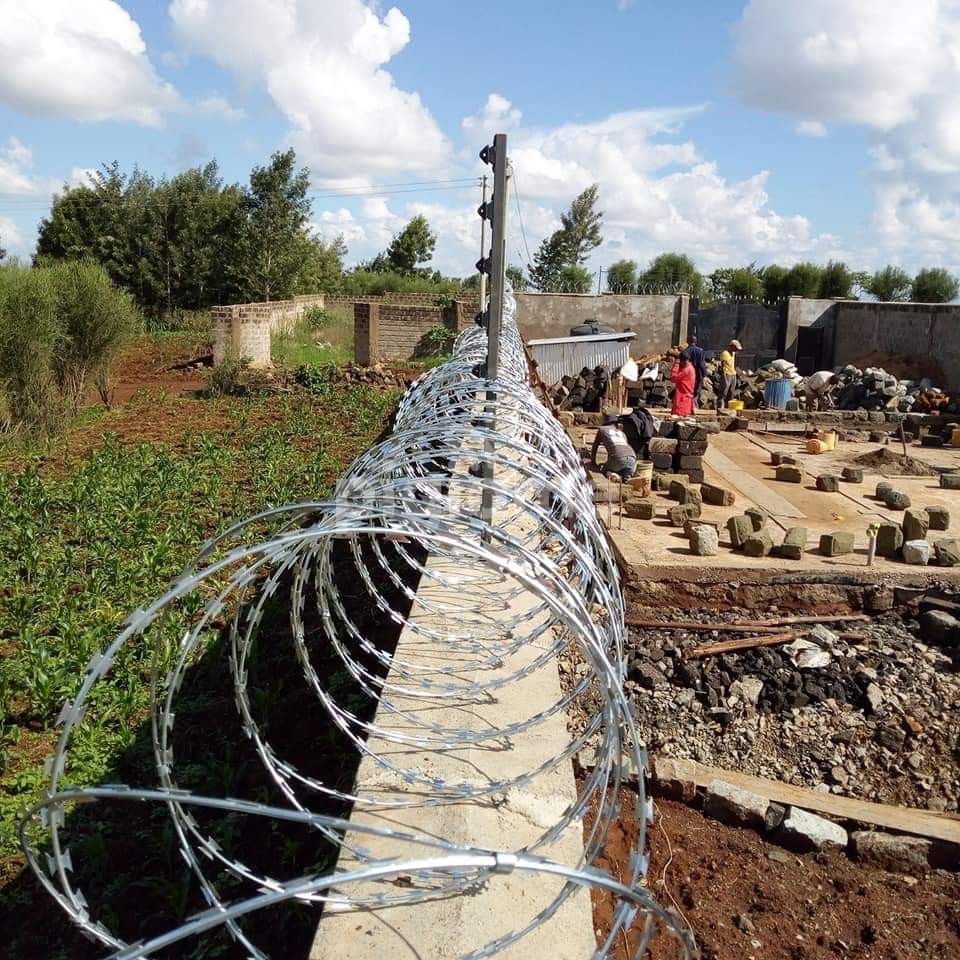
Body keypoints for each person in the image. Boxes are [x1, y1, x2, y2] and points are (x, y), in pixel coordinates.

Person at [591, 413, 637, 481]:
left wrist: (593, 462)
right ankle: (626, 476)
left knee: (602, 466)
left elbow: (595, 446)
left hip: (617, 459)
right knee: (623, 467)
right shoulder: (622, 433)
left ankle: (611, 474)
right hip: (632, 459)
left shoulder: (602, 429)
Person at [716, 338, 742, 411]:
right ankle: (720, 408)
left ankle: (729, 409)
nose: (736, 350)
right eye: (735, 348)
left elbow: (733, 364)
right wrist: (724, 377)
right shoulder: (725, 353)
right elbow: (722, 366)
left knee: (731, 392)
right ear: (732, 346)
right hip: (726, 374)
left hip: (733, 374)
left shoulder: (733, 353)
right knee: (724, 392)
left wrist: (736, 373)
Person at [685, 335, 708, 405]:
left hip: (688, 374)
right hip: (698, 374)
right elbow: (701, 364)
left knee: (688, 390)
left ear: (688, 341)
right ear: (696, 341)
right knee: (696, 390)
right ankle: (693, 406)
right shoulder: (700, 351)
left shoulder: (686, 351)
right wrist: (704, 374)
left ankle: (688, 405)